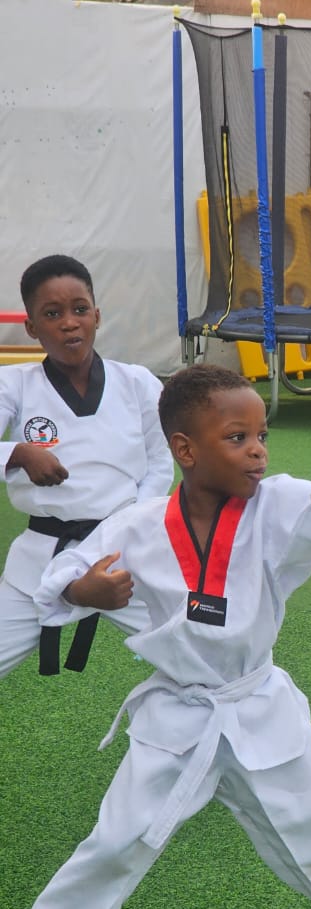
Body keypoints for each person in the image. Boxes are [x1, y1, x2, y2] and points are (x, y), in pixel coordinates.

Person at [1, 364, 311, 909]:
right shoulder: (139, 525)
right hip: (178, 712)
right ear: (185, 449)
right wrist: (83, 591)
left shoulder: (277, 504)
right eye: (237, 438)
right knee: (118, 839)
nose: (257, 450)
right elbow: (62, 573)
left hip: (259, 704)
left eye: (262, 435)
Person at [0, 255, 172, 677]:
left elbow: (160, 464)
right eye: (52, 314)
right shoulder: (14, 385)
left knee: (198, 655)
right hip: (40, 560)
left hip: (124, 556)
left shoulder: (138, 383)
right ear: (32, 327)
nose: (69, 323)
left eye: (80, 309)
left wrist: (127, 526)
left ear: (96, 315)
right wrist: (18, 453)